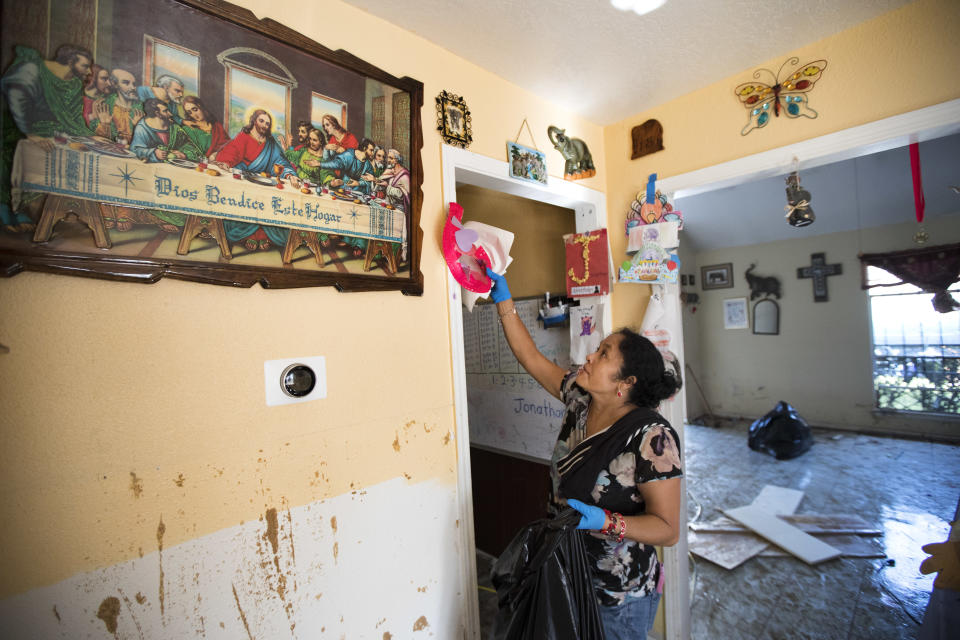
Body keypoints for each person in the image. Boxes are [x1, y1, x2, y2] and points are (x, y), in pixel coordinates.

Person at [487, 269, 683, 640]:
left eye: (603, 354)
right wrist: (504, 302)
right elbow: (529, 356)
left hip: (617, 596)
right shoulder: (580, 399)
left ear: (626, 384)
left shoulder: (652, 438)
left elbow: (668, 529)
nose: (590, 356)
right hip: (566, 574)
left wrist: (605, 521)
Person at [1, 44, 95, 231]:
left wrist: (91, 138)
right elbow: (17, 98)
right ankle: (5, 211)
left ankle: (27, 211)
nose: (89, 71)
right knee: (9, 158)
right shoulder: (32, 69)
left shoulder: (73, 84)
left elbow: (74, 119)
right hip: (16, 126)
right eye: (85, 65)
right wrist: (31, 134)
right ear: (70, 61)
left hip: (50, 132)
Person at [214, 109, 300, 251]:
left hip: (264, 182)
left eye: (267, 123)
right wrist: (226, 162)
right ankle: (250, 235)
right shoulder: (244, 137)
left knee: (271, 200)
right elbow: (232, 152)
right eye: (261, 121)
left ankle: (263, 235)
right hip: (244, 181)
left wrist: (290, 175)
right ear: (254, 121)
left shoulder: (271, 143)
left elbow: (281, 162)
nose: (264, 125)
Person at [90, 68, 144, 144]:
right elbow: (97, 139)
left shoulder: (142, 108)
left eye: (134, 84)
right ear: (115, 84)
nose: (132, 88)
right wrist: (105, 125)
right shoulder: (104, 105)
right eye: (126, 83)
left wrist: (138, 128)